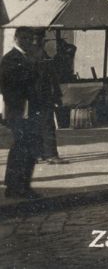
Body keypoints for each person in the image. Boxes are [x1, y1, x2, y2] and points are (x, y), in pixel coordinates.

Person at [1, 28, 43, 199]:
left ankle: (22, 185)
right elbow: (6, 84)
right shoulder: (10, 59)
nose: (27, 41)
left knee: (29, 146)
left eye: (30, 38)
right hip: (18, 109)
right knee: (21, 146)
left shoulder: (28, 57)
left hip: (30, 108)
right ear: (16, 38)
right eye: (24, 38)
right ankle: (15, 186)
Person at [32, 34, 64, 165]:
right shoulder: (41, 55)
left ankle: (39, 154)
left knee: (36, 125)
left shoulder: (30, 54)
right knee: (47, 125)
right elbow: (51, 77)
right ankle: (51, 154)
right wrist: (57, 95)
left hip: (33, 96)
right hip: (43, 96)